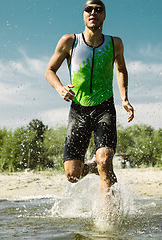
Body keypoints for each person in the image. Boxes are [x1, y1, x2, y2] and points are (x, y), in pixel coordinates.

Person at [45, 0, 134, 196]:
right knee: (72, 175)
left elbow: (121, 70)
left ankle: (107, 220)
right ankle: (93, 167)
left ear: (104, 15)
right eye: (89, 9)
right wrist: (60, 88)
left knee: (104, 160)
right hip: (78, 110)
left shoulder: (115, 43)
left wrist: (125, 99)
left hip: (104, 108)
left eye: (98, 9)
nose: (93, 12)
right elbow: (50, 71)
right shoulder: (70, 41)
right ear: (83, 15)